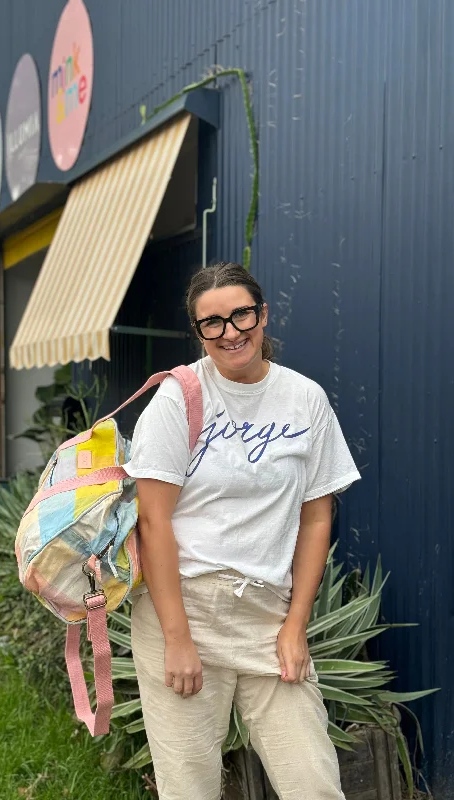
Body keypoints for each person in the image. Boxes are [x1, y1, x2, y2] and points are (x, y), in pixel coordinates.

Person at [123, 262, 361, 800]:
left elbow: (317, 516)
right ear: (198, 331)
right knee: (190, 789)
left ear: (263, 313)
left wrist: (296, 623)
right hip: (184, 610)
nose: (231, 332)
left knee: (313, 783)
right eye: (213, 323)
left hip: (268, 616)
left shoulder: (305, 399)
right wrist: (178, 641)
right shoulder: (178, 398)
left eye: (241, 315)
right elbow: (153, 520)